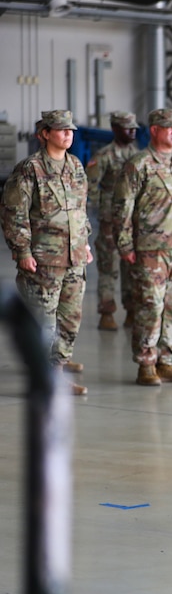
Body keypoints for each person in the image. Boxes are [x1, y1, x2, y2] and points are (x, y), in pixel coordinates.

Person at [1, 109, 93, 396]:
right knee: (45, 320)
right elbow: (14, 213)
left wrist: (85, 243)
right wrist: (22, 251)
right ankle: (44, 375)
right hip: (43, 260)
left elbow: (80, 210)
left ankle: (58, 371)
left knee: (69, 318)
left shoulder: (76, 166)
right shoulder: (30, 169)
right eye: (62, 130)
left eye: (71, 131)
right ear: (45, 134)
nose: (68, 134)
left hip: (74, 258)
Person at [114, 108, 172, 386]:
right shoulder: (139, 164)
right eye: (169, 127)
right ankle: (146, 364)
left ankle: (167, 361)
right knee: (150, 305)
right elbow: (123, 207)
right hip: (152, 248)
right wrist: (125, 242)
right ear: (154, 130)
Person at [86, 110, 139, 331]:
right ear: (116, 129)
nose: (133, 132)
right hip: (110, 223)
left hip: (132, 221)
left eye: (135, 128)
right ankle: (107, 313)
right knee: (109, 269)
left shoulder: (137, 154)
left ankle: (131, 310)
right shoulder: (105, 156)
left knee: (131, 269)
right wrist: (103, 209)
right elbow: (90, 187)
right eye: (128, 128)